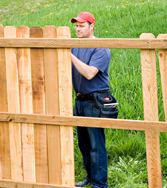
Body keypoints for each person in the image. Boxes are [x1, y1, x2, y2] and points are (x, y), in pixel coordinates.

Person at [71, 12, 119, 188]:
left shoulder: (101, 48)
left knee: (96, 146)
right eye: (76, 25)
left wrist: (68, 55)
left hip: (96, 101)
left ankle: (100, 184)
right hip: (80, 101)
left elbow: (90, 73)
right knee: (84, 144)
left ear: (92, 26)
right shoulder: (74, 46)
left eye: (82, 26)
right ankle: (90, 178)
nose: (78, 29)